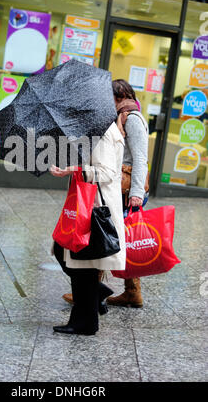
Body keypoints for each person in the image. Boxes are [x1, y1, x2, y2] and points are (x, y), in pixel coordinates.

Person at [62, 78, 149, 309]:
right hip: (119, 184)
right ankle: (125, 292)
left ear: (119, 97)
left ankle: (92, 290)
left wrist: (137, 193)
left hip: (126, 188)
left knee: (105, 236)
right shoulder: (119, 118)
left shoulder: (132, 119)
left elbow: (140, 159)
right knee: (115, 238)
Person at [50, 120, 126, 335]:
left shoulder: (101, 131)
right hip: (85, 206)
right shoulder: (97, 128)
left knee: (81, 264)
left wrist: (74, 169)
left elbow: (108, 172)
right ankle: (88, 314)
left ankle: (85, 321)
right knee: (75, 259)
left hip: (94, 209)